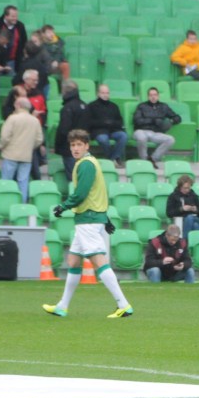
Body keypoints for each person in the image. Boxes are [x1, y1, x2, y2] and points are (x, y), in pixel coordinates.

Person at [43, 129, 134, 319]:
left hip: (88, 220)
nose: (75, 148)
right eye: (72, 145)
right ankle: (62, 306)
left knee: (98, 260)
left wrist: (64, 206)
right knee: (74, 260)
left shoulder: (85, 165)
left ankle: (123, 304)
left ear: (86, 146)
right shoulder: (91, 163)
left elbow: (82, 193)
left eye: (79, 145)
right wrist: (105, 218)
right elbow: (97, 193)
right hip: (91, 217)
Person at [0, 97, 42, 202]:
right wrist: (30, 146)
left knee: (6, 181)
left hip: (10, 154)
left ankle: (5, 203)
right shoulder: (35, 120)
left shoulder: (12, 118)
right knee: (23, 182)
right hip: (26, 156)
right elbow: (39, 139)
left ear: (18, 105)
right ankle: (22, 204)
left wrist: (1, 146)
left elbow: (5, 137)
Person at [132, 87, 181, 168]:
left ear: (158, 96)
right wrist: (153, 121)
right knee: (142, 137)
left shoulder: (164, 106)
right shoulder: (142, 106)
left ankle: (153, 159)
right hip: (141, 131)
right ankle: (144, 160)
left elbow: (177, 118)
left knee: (170, 139)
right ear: (148, 96)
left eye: (155, 95)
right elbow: (137, 121)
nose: (153, 97)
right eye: (151, 95)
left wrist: (170, 122)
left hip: (156, 133)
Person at [86, 84, 128, 168]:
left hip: (113, 130)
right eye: (103, 93)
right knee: (103, 139)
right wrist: (104, 123)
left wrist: (111, 123)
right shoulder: (92, 106)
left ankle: (113, 158)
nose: (105, 95)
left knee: (123, 136)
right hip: (99, 131)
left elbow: (120, 121)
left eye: (107, 93)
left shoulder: (114, 106)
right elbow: (89, 122)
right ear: (98, 93)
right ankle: (114, 159)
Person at [54, 80, 89, 178]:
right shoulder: (84, 105)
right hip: (82, 145)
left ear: (65, 91)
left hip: (69, 147)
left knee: (73, 177)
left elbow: (64, 129)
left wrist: (59, 145)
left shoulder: (67, 108)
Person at [0, 5, 27, 73]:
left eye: (16, 16)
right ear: (6, 16)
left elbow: (24, 43)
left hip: (13, 62)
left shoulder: (20, 26)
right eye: (13, 16)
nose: (15, 18)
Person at [170, 30, 199, 99]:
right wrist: (184, 62)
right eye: (191, 39)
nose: (193, 41)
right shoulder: (182, 47)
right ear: (187, 39)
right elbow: (174, 57)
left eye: (194, 39)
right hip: (189, 68)